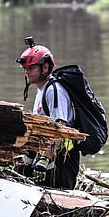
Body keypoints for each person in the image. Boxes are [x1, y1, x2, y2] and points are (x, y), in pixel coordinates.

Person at [15, 37, 80, 189]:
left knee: (60, 202)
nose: (27, 72)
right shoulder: (42, 90)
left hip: (62, 159)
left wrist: (45, 158)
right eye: (25, 68)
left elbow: (61, 129)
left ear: (45, 67)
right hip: (50, 159)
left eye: (31, 68)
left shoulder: (54, 91)